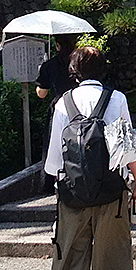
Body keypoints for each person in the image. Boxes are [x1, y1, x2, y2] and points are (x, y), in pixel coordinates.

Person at [44, 46, 136, 270]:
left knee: (75, 252)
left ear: (74, 70)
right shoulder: (116, 99)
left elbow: (55, 157)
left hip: (73, 194)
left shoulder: (63, 103)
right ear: (102, 69)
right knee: (117, 248)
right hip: (111, 190)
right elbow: (129, 147)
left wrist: (61, 186)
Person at [36, 34, 79, 192]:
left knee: (54, 143)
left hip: (59, 106)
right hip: (79, 104)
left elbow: (41, 93)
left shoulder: (50, 64)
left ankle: (51, 180)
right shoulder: (78, 61)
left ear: (56, 44)